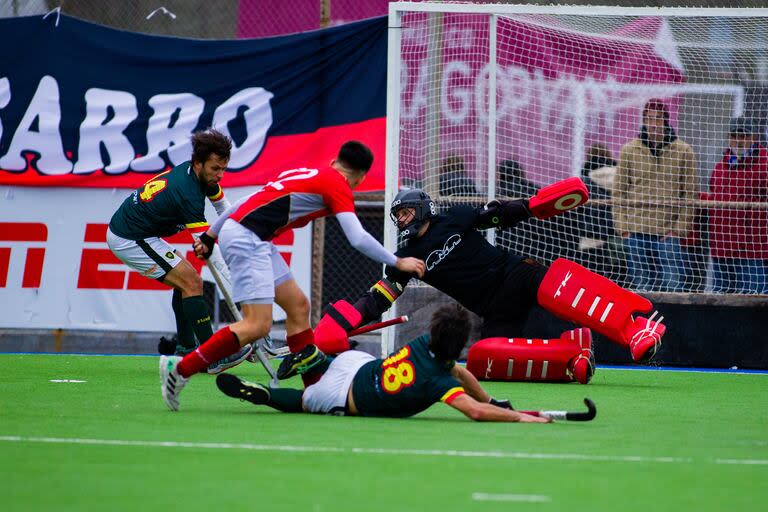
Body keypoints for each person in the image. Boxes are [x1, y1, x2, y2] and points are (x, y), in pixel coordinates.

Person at [301, 177, 666, 385]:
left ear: (423, 207)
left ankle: (634, 329)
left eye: (406, 211)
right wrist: (345, 319)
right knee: (481, 360)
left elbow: (494, 216)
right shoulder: (403, 260)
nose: (402, 219)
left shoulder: (453, 218)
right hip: (493, 308)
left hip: (515, 274)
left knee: (558, 281)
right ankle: (573, 356)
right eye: (397, 215)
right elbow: (379, 299)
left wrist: (529, 207)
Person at [159, 140, 426, 411]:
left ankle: (315, 389)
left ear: (335, 159)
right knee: (257, 326)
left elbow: (245, 201)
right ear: (360, 176)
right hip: (246, 238)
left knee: (298, 307)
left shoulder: (306, 172)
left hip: (253, 237)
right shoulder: (338, 184)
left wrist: (210, 235)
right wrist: (398, 261)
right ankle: (181, 368)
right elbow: (356, 237)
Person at [216, 304, 550, 423]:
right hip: (343, 393)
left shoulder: (422, 344)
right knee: (305, 400)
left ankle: (316, 357)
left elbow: (460, 373)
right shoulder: (439, 383)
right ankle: (264, 394)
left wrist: (492, 400)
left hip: (356, 362)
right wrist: (517, 416)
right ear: (458, 344)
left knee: (330, 366)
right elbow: (474, 410)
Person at [107, 128, 252, 374]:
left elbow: (223, 209)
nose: (220, 175)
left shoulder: (201, 177)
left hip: (144, 233)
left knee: (185, 281)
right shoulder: (188, 194)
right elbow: (210, 252)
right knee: (191, 282)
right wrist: (237, 283)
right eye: (215, 169)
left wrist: (243, 232)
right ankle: (211, 357)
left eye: (223, 169)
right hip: (130, 237)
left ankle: (186, 348)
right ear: (198, 163)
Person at [612, 99, 697, 292]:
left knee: (673, 287)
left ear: (666, 121)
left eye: (658, 119)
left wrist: (678, 230)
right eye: (649, 118)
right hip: (636, 231)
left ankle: (673, 322)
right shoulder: (629, 150)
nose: (653, 123)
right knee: (641, 287)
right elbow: (619, 193)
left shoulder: (683, 151)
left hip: (667, 233)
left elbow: (690, 195)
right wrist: (623, 228)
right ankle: (642, 323)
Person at [707, 117, 768, 293]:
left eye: (743, 136)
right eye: (734, 135)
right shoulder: (719, 168)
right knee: (720, 301)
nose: (739, 140)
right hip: (722, 247)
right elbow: (714, 198)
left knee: (753, 302)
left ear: (753, 138)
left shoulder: (764, 166)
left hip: (752, 249)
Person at [572, 144, 627, 285]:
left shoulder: (584, 181)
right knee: (620, 283)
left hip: (591, 240)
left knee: (592, 283)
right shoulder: (622, 177)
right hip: (619, 238)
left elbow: (578, 212)